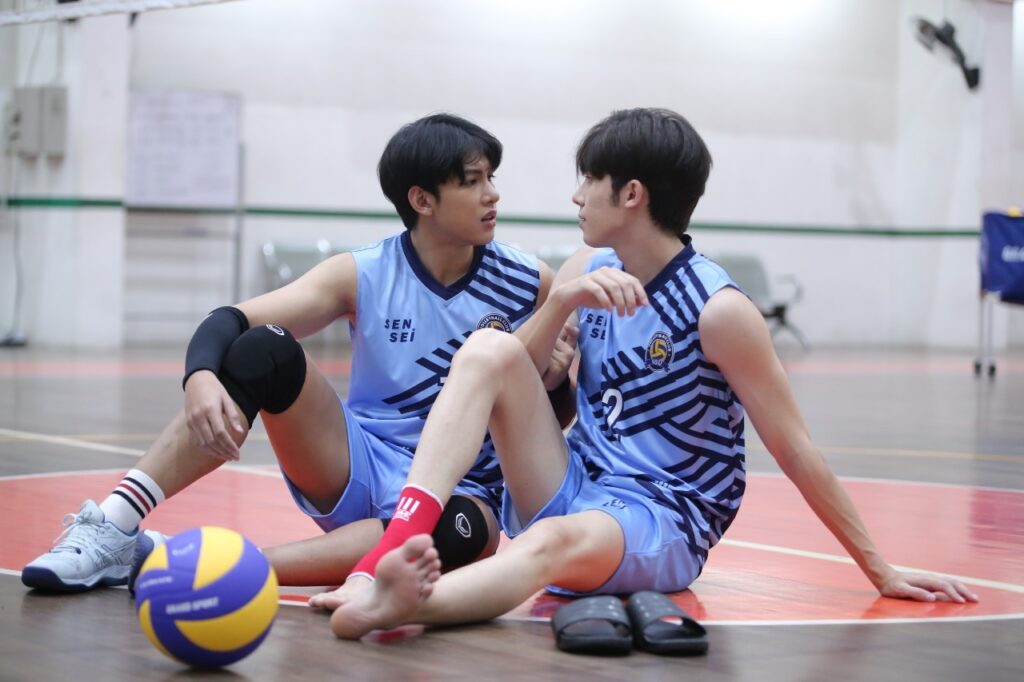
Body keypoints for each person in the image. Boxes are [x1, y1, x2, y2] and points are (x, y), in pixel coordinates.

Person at [314, 107, 979, 640]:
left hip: (661, 515)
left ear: (631, 194)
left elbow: (795, 448)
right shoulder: (588, 269)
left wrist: (879, 568)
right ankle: (391, 551)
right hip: (574, 483)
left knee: (551, 539)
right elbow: (522, 373)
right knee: (487, 349)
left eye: (589, 180)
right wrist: (561, 303)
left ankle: (405, 604)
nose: (576, 195)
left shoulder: (718, 311)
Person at [21, 113, 573, 592]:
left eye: (491, 178)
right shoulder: (364, 272)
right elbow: (232, 320)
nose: (492, 194)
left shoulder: (530, 282)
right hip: (357, 461)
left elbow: (553, 416)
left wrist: (554, 384)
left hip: (461, 489)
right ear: (422, 200)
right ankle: (113, 525)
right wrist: (199, 376)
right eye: (473, 181)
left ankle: (200, 565)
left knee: (461, 538)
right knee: (263, 348)